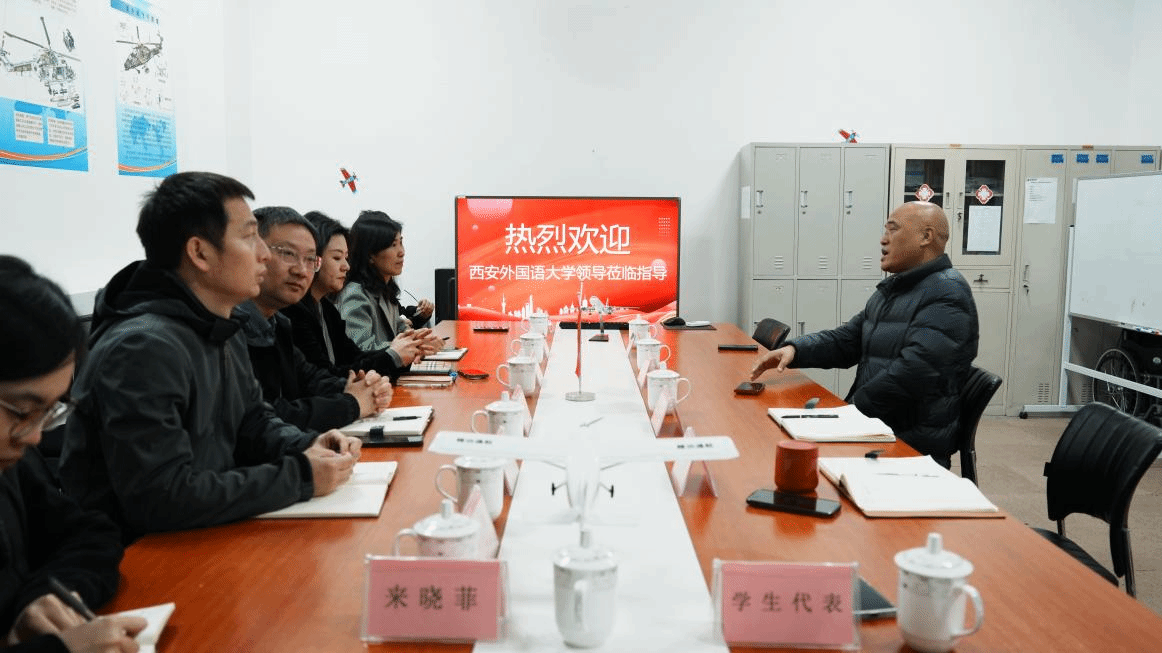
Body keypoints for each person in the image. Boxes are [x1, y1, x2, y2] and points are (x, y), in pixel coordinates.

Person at [60, 172, 362, 544]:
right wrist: (300, 475)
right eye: (249, 237)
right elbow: (161, 496)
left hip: (206, 534)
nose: (264, 254)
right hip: (140, 556)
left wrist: (305, 445)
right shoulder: (142, 348)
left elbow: (254, 421)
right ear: (200, 252)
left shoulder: (221, 325)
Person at [750, 201, 979, 467]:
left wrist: (850, 411)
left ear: (925, 237)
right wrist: (795, 350)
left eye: (893, 230)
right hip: (874, 428)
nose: (883, 239)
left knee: (784, 462)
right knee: (770, 441)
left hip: (906, 447)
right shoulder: (896, 289)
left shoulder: (947, 293)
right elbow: (847, 340)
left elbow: (915, 372)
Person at [0, 256, 147, 652]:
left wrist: (42, 600)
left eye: (49, 412)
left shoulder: (11, 462)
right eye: (21, 411)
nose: (35, 437)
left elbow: (89, 534)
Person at [234, 206, 392, 432]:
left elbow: (311, 378)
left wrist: (362, 388)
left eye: (309, 259)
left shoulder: (278, 323)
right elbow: (266, 418)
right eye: (288, 254)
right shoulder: (231, 327)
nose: (301, 270)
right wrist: (352, 403)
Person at [280, 211, 419, 380]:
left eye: (346, 257)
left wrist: (409, 347)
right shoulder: (295, 312)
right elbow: (324, 377)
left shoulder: (326, 308)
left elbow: (355, 358)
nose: (346, 266)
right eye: (337, 257)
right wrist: (394, 355)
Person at [337, 211, 441, 359]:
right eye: (393, 245)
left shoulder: (384, 289)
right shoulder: (355, 295)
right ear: (370, 255)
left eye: (401, 243)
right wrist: (415, 346)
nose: (401, 252)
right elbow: (361, 350)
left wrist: (419, 338)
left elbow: (399, 329)